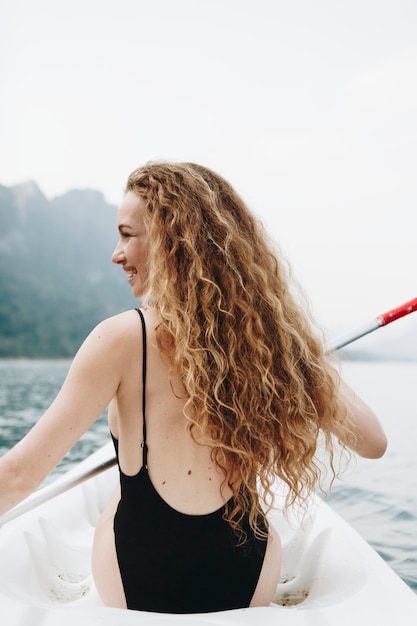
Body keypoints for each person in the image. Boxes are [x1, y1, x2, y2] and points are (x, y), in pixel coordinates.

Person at [0, 161, 387, 613]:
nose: (116, 254)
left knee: (118, 497)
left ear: (169, 240)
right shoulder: (273, 344)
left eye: (128, 235)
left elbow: (19, 475)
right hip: (243, 578)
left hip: (140, 580)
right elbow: (373, 443)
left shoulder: (120, 338)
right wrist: (298, 351)